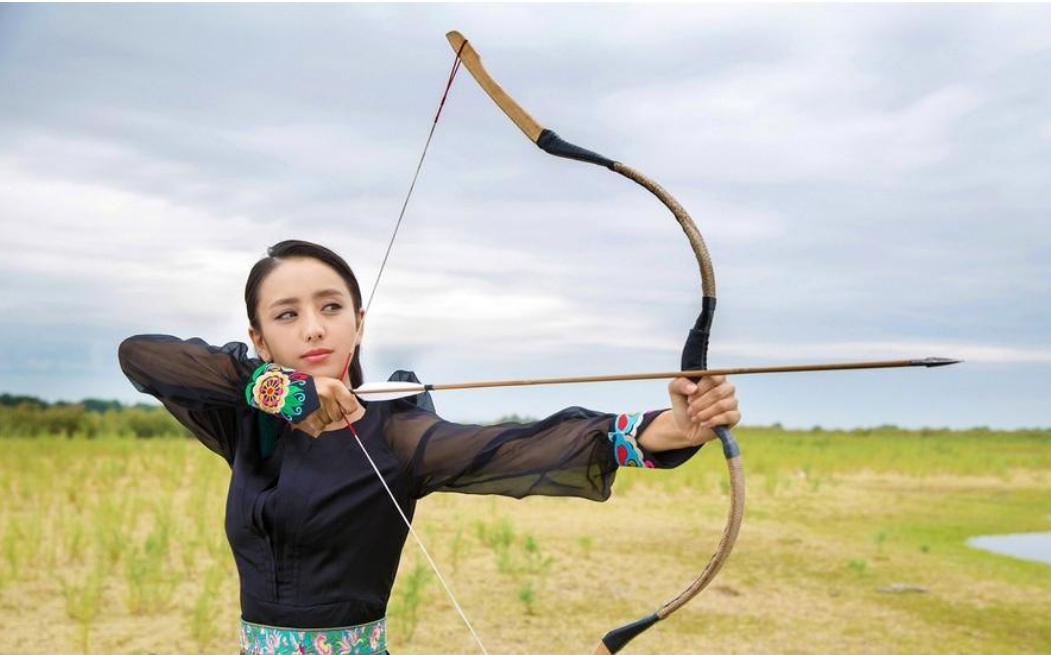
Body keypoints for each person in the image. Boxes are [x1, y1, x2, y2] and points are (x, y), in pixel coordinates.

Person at [117, 239, 741, 655]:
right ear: (259, 337)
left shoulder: (397, 433)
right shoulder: (248, 425)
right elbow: (140, 356)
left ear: (359, 323)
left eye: (331, 307)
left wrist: (667, 430)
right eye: (287, 315)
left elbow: (520, 446)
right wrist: (274, 389)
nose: (313, 327)